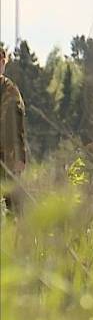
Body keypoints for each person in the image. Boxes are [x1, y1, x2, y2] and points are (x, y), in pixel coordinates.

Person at [0, 46, 28, 212]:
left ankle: (15, 236)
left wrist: (20, 157)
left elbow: (17, 126)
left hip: (7, 157)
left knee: (14, 207)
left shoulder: (10, 92)